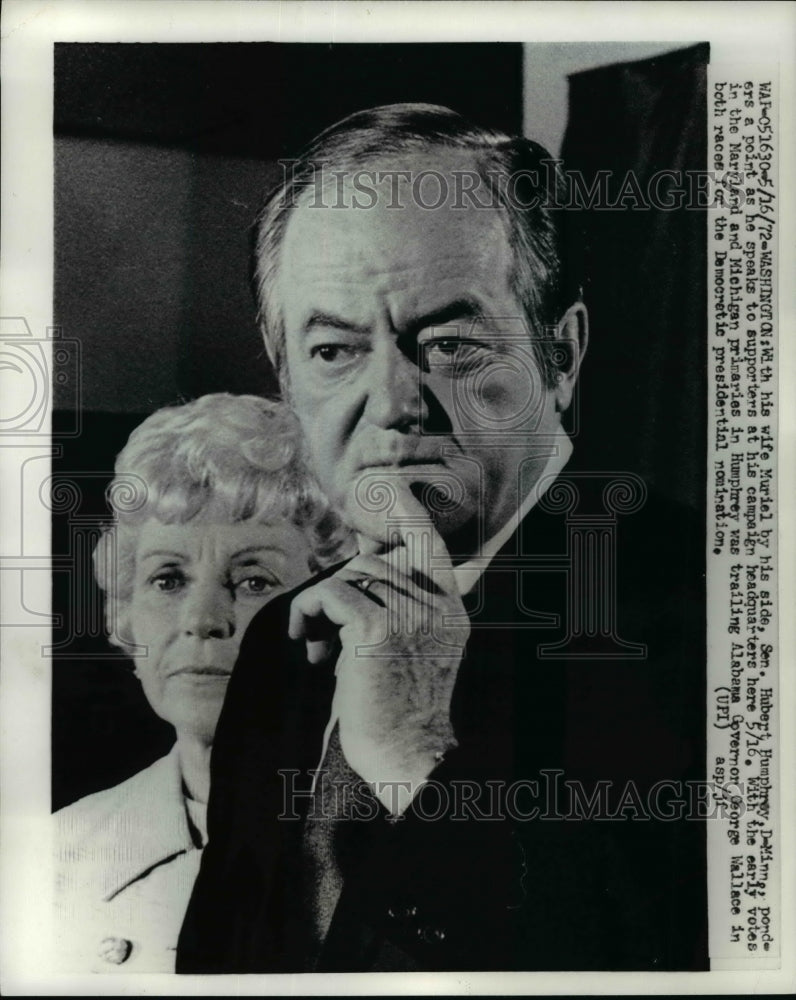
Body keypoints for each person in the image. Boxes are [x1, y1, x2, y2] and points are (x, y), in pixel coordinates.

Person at [178, 105, 707, 972]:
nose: (393, 403)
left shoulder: (718, 616)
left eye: (451, 344)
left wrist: (416, 756)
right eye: (335, 352)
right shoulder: (283, 643)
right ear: (286, 380)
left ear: (562, 355)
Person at [54, 392, 350, 972]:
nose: (202, 619)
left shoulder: (402, 835)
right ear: (126, 614)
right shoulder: (52, 855)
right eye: (167, 580)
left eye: (254, 581)